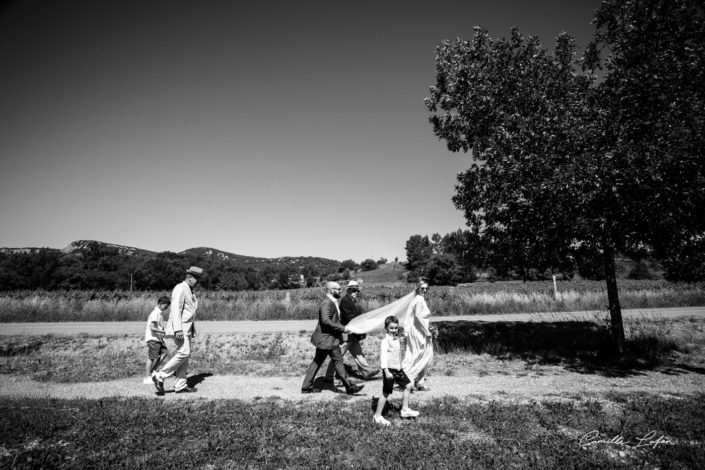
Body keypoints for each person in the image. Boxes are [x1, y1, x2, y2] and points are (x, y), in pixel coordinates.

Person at [301, 281, 364, 395]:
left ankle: (306, 387)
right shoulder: (327, 302)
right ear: (330, 290)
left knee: (318, 362)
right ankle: (349, 386)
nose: (340, 291)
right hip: (327, 339)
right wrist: (342, 328)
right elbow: (326, 321)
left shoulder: (333, 302)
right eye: (338, 289)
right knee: (337, 361)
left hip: (327, 339)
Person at [152, 266, 203, 395]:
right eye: (197, 278)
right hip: (180, 328)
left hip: (188, 328)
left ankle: (180, 385)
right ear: (190, 277)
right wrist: (178, 330)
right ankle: (160, 375)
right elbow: (175, 309)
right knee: (185, 352)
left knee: (184, 356)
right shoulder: (180, 288)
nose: (198, 281)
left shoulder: (190, 290)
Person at [323, 280, 379, 382]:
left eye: (357, 291)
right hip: (347, 334)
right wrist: (363, 321)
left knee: (358, 353)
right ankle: (329, 376)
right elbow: (350, 318)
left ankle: (367, 372)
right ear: (349, 290)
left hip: (352, 334)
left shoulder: (351, 301)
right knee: (338, 356)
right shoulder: (345, 301)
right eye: (354, 290)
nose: (356, 292)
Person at [373, 316, 419, 426]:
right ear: (386, 328)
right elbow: (383, 358)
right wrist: (386, 371)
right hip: (389, 370)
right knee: (386, 392)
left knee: (408, 385)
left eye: (396, 328)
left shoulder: (396, 339)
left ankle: (405, 409)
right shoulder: (385, 341)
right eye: (391, 328)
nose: (394, 330)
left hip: (398, 369)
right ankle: (377, 415)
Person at [401, 278, 436, 391]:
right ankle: (409, 380)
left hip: (417, 330)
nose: (424, 290)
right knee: (419, 354)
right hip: (419, 332)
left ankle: (419, 381)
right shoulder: (419, 299)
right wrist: (427, 330)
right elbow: (418, 315)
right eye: (422, 288)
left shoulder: (418, 299)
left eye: (426, 288)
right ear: (417, 288)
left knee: (420, 354)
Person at [143, 296, 171, 384]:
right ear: (160, 304)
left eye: (167, 307)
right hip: (153, 338)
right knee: (151, 357)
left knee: (165, 353)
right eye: (165, 306)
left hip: (158, 338)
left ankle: (153, 371)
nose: (166, 308)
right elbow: (152, 328)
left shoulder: (159, 313)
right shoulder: (155, 313)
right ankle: (147, 378)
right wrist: (163, 331)